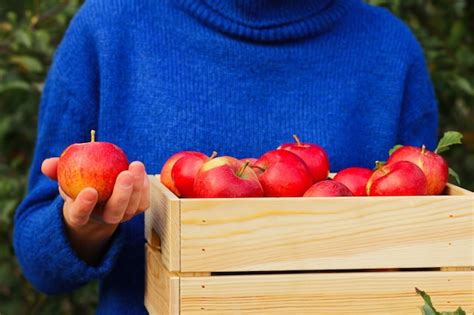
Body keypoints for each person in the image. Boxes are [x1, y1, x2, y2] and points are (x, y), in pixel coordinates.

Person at [14, 0, 438, 313]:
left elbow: (429, 253)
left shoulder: (390, 50)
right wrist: (84, 231)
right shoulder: (108, 28)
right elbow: (39, 264)